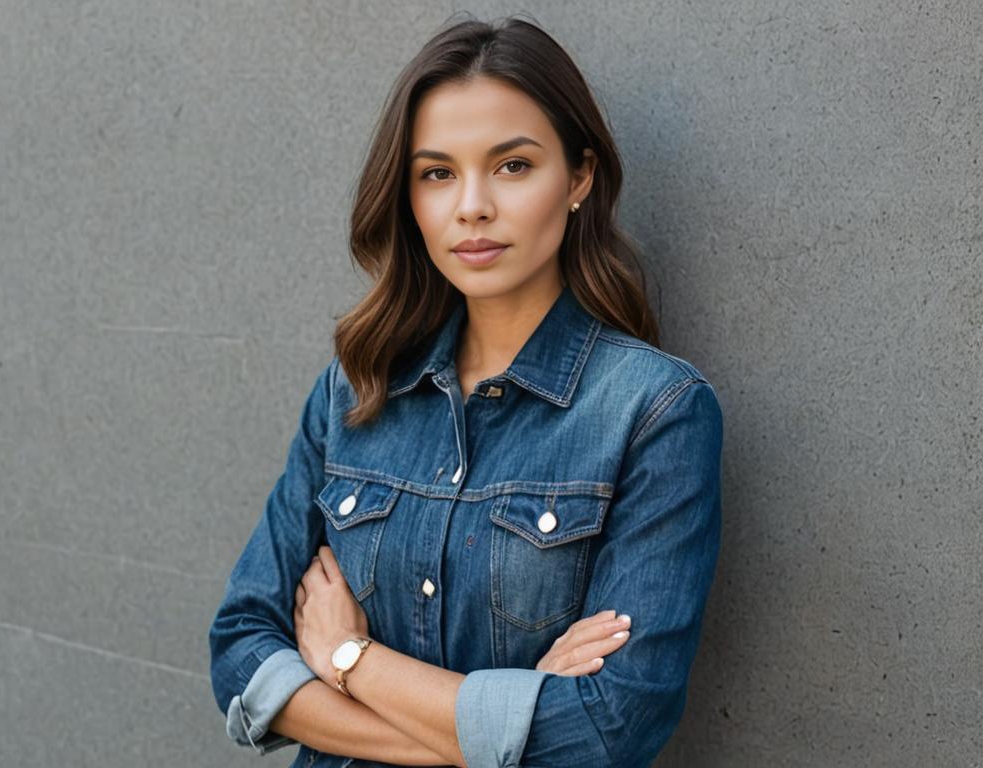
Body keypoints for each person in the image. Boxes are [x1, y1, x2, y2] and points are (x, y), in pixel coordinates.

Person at [208, 13, 723, 768]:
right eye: (437, 173)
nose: (471, 205)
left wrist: (349, 657)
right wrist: (491, 729)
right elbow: (241, 652)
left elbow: (609, 729)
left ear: (579, 177)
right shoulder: (355, 391)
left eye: (513, 166)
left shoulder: (653, 412)